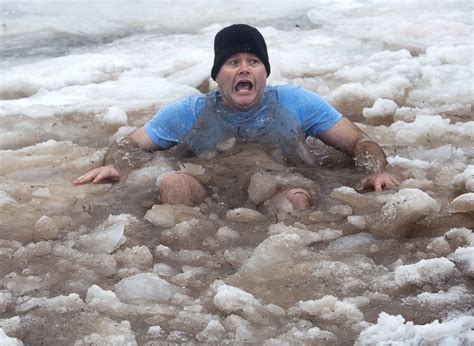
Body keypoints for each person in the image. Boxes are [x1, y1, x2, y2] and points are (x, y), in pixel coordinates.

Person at [73, 24, 400, 209]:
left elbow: (358, 141)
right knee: (174, 184)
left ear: (264, 72)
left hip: (277, 186)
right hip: (210, 188)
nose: (244, 68)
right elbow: (130, 144)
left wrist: (377, 170)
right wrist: (116, 163)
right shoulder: (189, 112)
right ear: (218, 75)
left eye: (253, 61)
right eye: (233, 62)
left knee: (297, 199)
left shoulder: (297, 102)